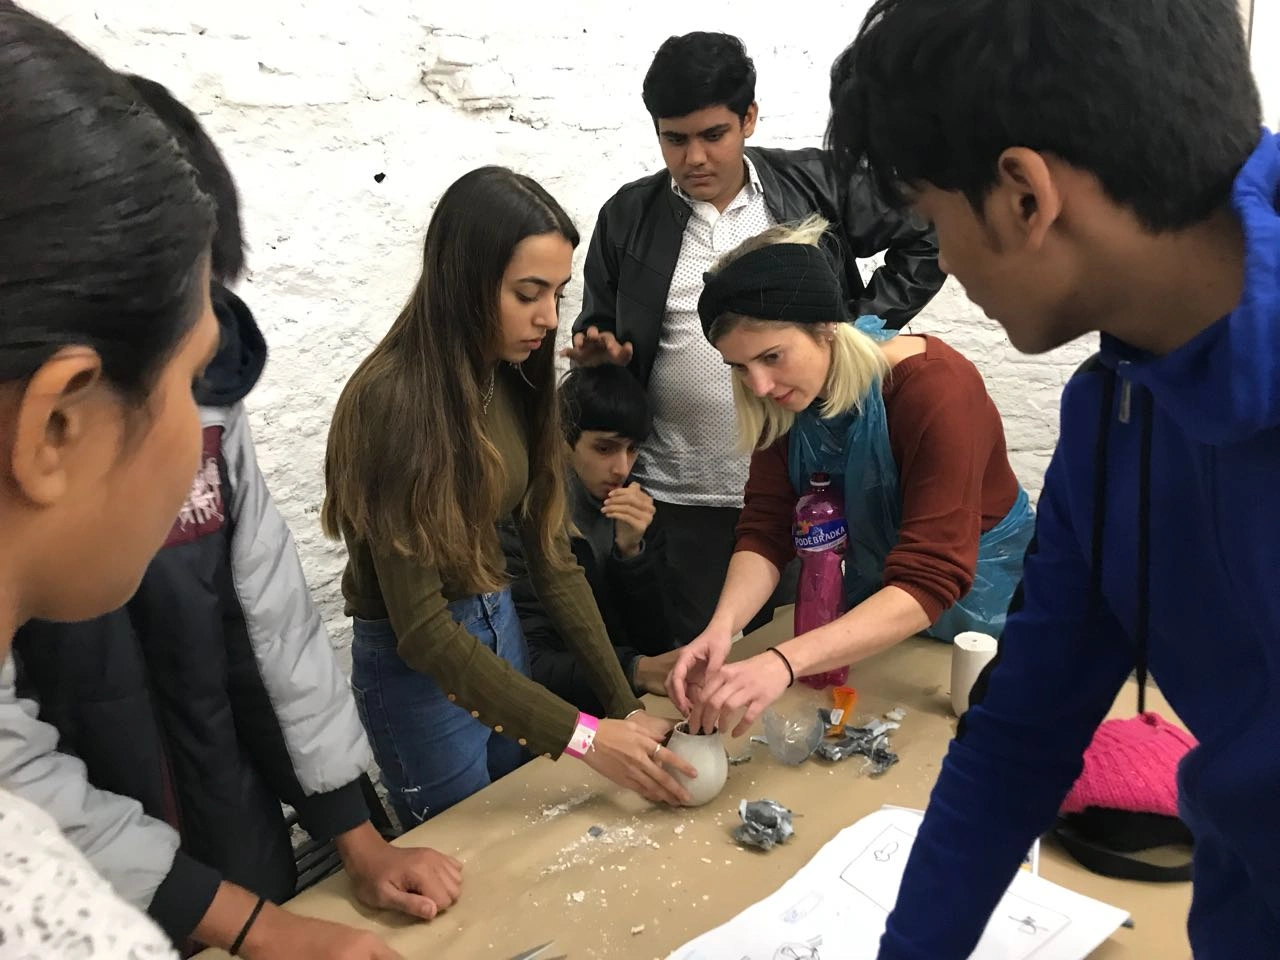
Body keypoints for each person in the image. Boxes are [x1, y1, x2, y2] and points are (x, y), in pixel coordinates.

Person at [826, 1, 1279, 957]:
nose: (945, 262)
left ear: (1025, 197)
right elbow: (1019, 736)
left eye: (935, 222)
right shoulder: (1117, 412)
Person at [1, 73, 461, 958]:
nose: (203, 429)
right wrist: (256, 926)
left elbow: (271, 623)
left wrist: (349, 835)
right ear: (58, 419)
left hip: (222, 823)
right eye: (187, 374)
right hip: (114, 876)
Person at [322, 166, 697, 829]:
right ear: (464, 281)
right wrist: (586, 738)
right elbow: (424, 632)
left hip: (500, 629)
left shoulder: (515, 374)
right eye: (528, 293)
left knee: (529, 832)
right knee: (471, 855)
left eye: (557, 292)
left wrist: (624, 707)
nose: (549, 317)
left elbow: (554, 563)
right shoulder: (394, 402)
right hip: (424, 669)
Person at [565, 32, 946, 646]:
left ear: (748, 118)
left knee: (803, 645)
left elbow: (927, 232)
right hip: (676, 493)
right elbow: (599, 330)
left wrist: (852, 330)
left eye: (713, 135)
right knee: (694, 655)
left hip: (806, 480)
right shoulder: (627, 217)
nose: (694, 158)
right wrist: (602, 360)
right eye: (674, 139)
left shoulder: (817, 184)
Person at [665, 218, 1033, 735]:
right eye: (740, 367)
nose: (760, 385)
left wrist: (783, 661)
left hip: (985, 621)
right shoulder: (782, 403)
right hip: (880, 616)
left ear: (826, 326)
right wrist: (722, 628)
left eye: (771, 357)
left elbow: (933, 573)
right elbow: (767, 529)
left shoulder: (935, 390)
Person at [502, 365, 681, 714]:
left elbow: (658, 642)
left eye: (632, 449)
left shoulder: (635, 509)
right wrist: (635, 670)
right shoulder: (524, 521)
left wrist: (631, 555)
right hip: (562, 717)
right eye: (604, 448)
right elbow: (530, 662)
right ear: (562, 440)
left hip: (626, 701)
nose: (621, 468)